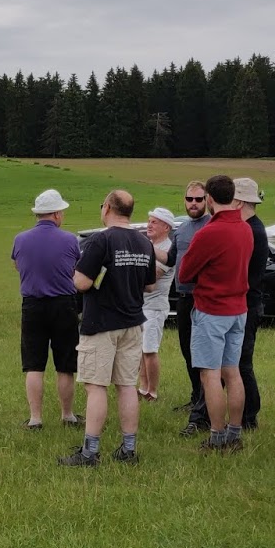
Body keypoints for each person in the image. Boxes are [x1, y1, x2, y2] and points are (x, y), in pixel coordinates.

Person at [59, 189, 157, 466]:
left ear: (107, 209)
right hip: (133, 322)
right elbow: (150, 284)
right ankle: (128, 449)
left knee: (96, 387)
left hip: (101, 323)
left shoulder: (100, 240)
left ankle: (90, 452)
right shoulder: (143, 242)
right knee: (127, 386)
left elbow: (81, 283)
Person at [175, 174, 254, 451]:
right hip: (239, 309)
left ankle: (217, 436)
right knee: (232, 372)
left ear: (209, 198)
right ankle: (235, 432)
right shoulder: (245, 228)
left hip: (212, 310)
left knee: (210, 375)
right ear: (233, 197)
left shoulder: (208, 233)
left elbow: (184, 273)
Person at [11, 189, 83, 430]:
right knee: (65, 364)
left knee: (34, 364)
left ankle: (35, 418)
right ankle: (67, 414)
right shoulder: (70, 239)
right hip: (64, 304)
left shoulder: (20, 239)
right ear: (56, 214)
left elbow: (17, 266)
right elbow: (76, 267)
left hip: (32, 305)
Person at [166, 181, 210, 435]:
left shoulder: (210, 227)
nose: (193, 203)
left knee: (204, 355)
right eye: (189, 199)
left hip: (203, 298)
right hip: (183, 297)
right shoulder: (181, 229)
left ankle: (203, 410)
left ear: (206, 200)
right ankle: (196, 396)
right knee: (187, 351)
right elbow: (171, 259)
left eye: (198, 199)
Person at [233, 178, 269, 431]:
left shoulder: (252, 230)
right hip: (248, 302)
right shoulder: (252, 227)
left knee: (242, 362)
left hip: (247, 303)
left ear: (239, 201)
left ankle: (249, 417)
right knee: (238, 361)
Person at [138, 207, 177, 402]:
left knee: (150, 350)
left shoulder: (168, 249)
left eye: (154, 222)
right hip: (141, 306)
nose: (149, 225)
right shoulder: (150, 245)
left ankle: (152, 391)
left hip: (154, 307)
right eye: (149, 221)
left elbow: (152, 279)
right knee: (141, 350)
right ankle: (142, 387)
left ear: (166, 227)